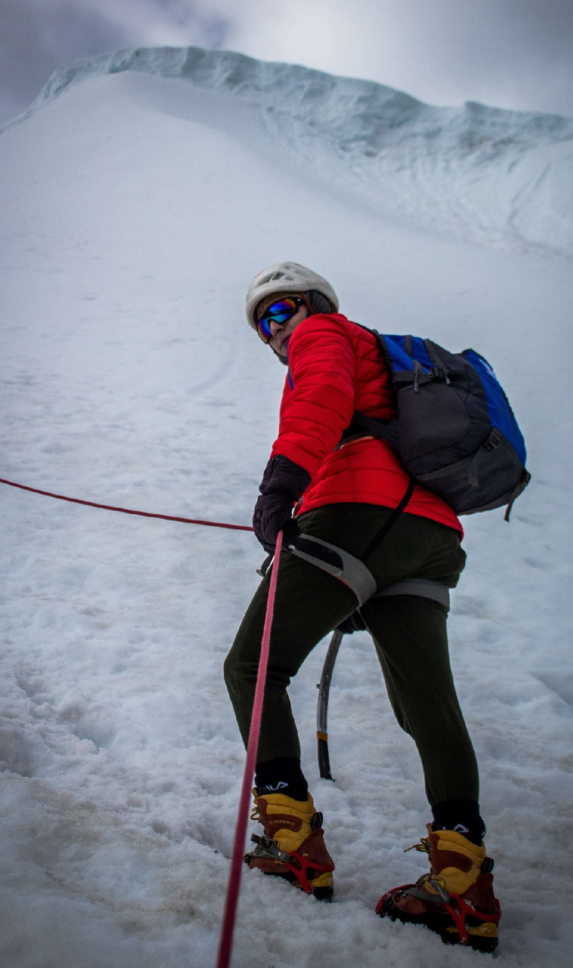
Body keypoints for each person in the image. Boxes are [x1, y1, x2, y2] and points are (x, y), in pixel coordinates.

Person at [224, 262, 500, 952]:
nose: (275, 331)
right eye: (264, 323)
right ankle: (464, 885)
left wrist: (280, 487)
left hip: (355, 515)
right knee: (426, 704)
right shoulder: (382, 359)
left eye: (280, 310)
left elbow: (319, 398)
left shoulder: (326, 334)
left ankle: (292, 843)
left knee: (253, 668)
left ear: (315, 303)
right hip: (429, 535)